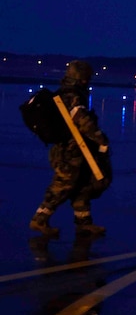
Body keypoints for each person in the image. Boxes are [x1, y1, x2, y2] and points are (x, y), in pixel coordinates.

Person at [29, 60, 111, 237]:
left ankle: (84, 222)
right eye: (86, 78)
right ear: (81, 78)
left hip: (73, 149)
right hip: (69, 151)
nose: (88, 81)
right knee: (63, 184)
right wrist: (100, 139)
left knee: (81, 184)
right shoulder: (73, 95)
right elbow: (82, 120)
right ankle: (40, 219)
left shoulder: (67, 92)